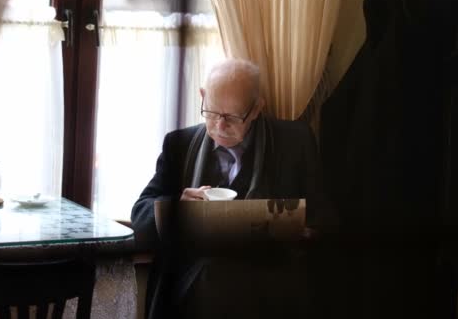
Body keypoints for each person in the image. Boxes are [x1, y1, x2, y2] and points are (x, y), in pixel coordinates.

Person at [132, 58, 335, 319]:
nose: (220, 126)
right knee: (210, 275)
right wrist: (177, 206)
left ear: (256, 109)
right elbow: (140, 215)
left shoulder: (294, 142)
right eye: (213, 112)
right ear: (203, 96)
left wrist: (303, 231)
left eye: (232, 117)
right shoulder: (179, 144)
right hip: (194, 279)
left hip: (268, 279)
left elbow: (325, 219)